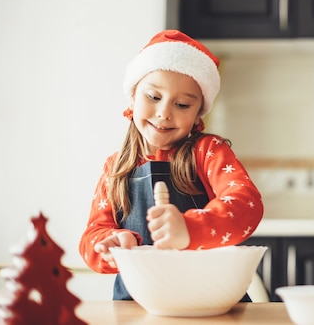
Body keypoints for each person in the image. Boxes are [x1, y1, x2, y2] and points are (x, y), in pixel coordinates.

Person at [79, 30, 264, 300]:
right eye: (153, 97)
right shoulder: (115, 167)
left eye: (182, 104)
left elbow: (246, 205)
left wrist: (191, 229)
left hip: (211, 305)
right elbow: (91, 237)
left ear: (199, 113)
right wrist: (113, 245)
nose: (165, 112)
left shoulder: (208, 151)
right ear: (132, 97)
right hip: (138, 309)